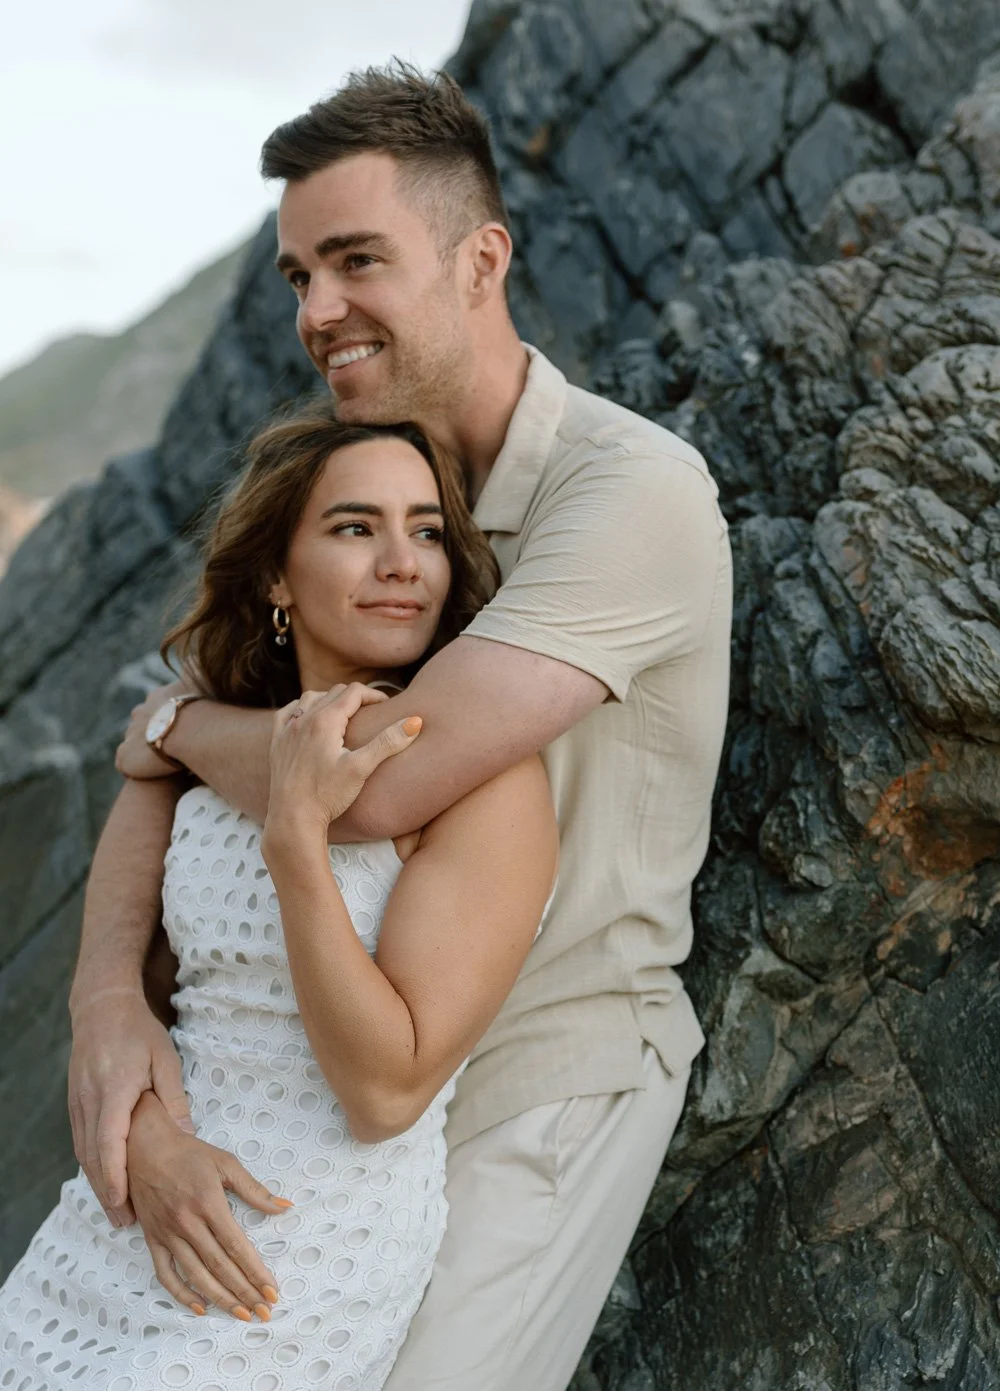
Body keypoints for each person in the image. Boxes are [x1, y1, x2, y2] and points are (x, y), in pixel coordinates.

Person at [64, 63, 732, 1391]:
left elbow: (357, 785)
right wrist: (102, 1004)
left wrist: (179, 720)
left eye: (356, 260)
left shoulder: (631, 492)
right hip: (306, 1084)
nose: (316, 312)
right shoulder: (372, 491)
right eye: (298, 274)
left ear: (481, 260)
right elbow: (164, 770)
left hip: (535, 1082)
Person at [0, 407, 559, 1388]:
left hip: (293, 1254)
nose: (402, 562)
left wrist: (296, 845)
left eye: (428, 530)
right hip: (131, 1211)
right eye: (356, 526)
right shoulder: (213, 741)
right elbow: (144, 996)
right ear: (275, 576)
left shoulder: (484, 781)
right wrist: (150, 1142)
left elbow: (385, 1090)